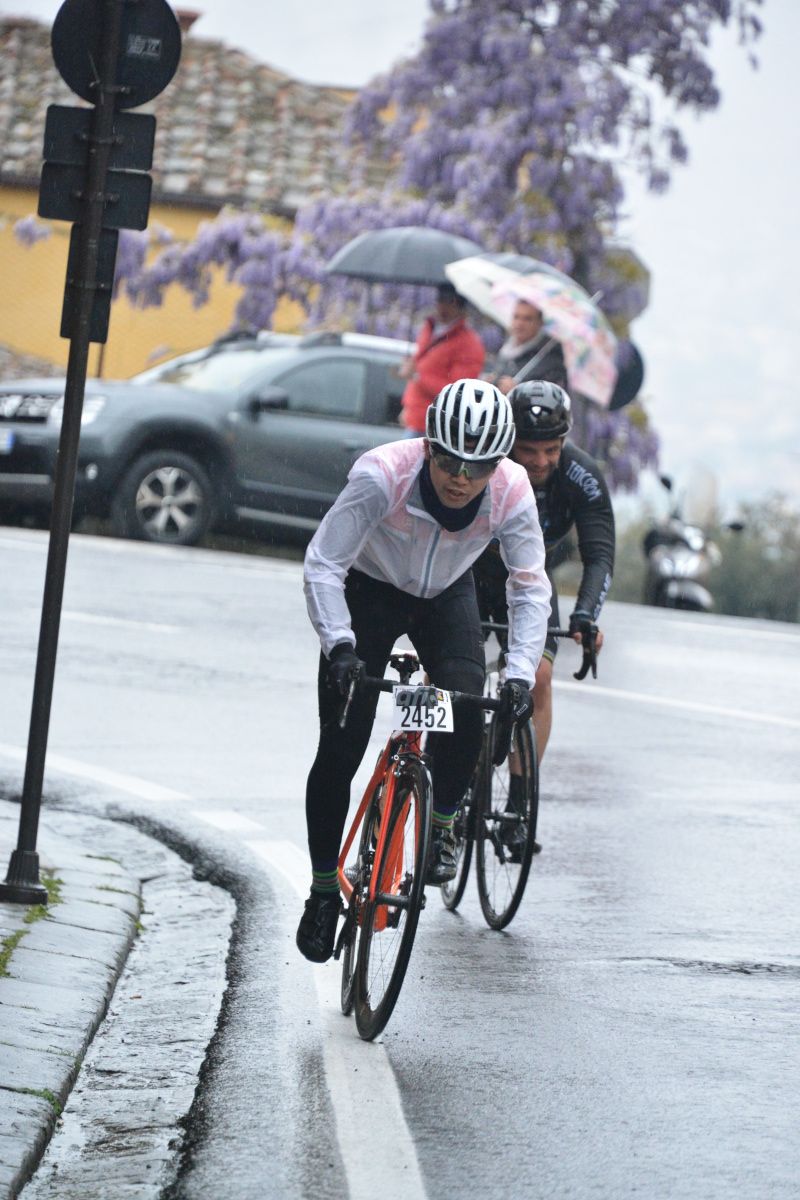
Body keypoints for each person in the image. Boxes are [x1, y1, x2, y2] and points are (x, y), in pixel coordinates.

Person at [297, 378, 552, 963]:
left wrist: (517, 674)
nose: (462, 475)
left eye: (479, 464)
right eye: (450, 458)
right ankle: (319, 892)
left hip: (446, 596)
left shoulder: (511, 491)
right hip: (370, 589)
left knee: (468, 706)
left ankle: (441, 826)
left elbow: (529, 584)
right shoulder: (381, 474)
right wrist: (339, 645)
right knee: (341, 746)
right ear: (428, 445)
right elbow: (324, 563)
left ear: (498, 463)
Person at [473, 380, 614, 774]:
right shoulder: (487, 462)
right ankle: (439, 760)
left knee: (539, 678)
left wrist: (585, 615)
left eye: (551, 450)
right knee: (451, 672)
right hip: (471, 574)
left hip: (529, 581)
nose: (539, 461)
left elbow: (600, 553)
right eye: (529, 450)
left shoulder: (580, 475)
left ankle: (520, 798)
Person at [398, 283, 485, 435]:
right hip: (415, 418)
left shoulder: (469, 344)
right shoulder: (429, 328)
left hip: (437, 424)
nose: (443, 307)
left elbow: (457, 391)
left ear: (461, 307)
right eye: (440, 301)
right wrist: (407, 407)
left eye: (450, 302)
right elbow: (420, 366)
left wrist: (417, 376)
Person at [488, 298, 568, 395]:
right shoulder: (505, 349)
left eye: (527, 319)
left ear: (540, 323)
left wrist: (519, 392)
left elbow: (552, 398)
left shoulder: (550, 358)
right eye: (516, 317)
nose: (519, 323)